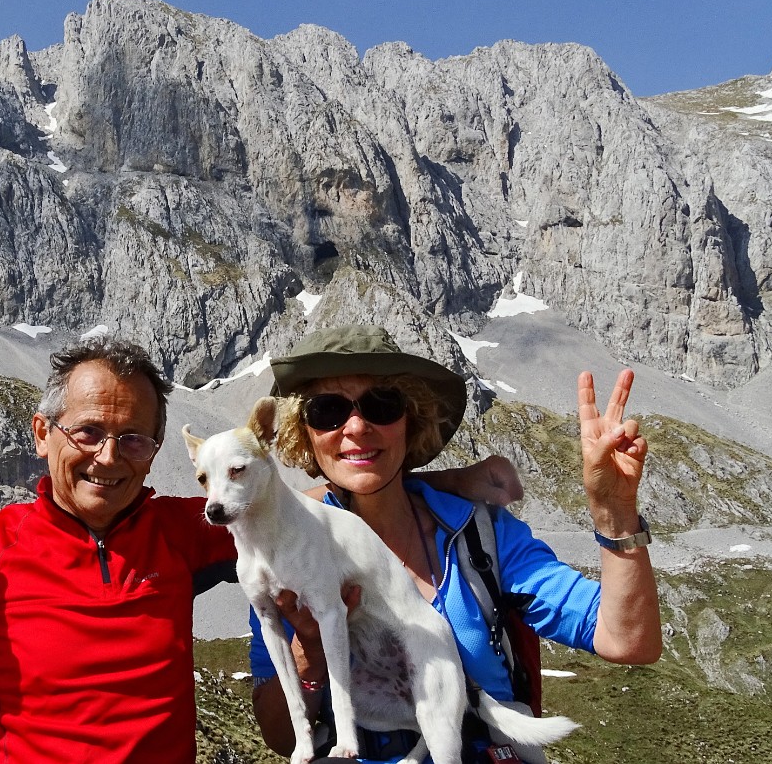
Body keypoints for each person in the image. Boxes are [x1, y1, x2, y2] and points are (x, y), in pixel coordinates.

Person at [0, 336, 525, 763]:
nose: (109, 458)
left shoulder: (186, 527)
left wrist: (443, 483)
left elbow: (305, 512)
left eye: (134, 438)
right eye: (87, 432)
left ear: (156, 450)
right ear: (42, 432)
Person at [249, 326, 662, 763]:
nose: (356, 427)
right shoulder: (282, 555)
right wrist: (309, 650)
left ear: (412, 421)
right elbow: (279, 736)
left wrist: (614, 511)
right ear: (305, 433)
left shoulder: (483, 535)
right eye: (328, 411)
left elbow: (628, 641)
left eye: (382, 405)